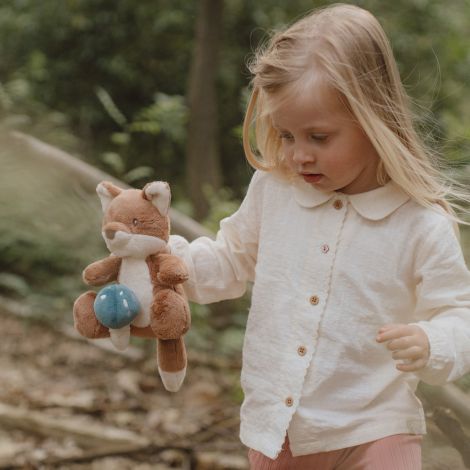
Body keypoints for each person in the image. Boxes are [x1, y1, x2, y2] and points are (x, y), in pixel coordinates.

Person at [169, 3, 470, 469]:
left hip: (377, 427)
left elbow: (460, 311)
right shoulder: (274, 192)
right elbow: (230, 260)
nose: (298, 156)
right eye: (286, 136)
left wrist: (435, 341)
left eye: (319, 137)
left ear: (374, 121)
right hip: (281, 431)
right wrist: (172, 266)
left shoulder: (419, 223)